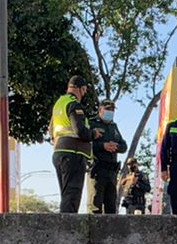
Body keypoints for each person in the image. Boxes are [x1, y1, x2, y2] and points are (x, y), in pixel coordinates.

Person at [50, 74, 93, 213]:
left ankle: (65, 226)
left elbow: (51, 130)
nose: (84, 94)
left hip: (59, 152)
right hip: (73, 153)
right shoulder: (74, 105)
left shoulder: (59, 104)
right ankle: (68, 229)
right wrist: (93, 134)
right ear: (80, 89)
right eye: (85, 90)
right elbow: (80, 131)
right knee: (72, 195)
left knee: (66, 194)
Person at [90, 99, 126, 214]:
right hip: (97, 169)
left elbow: (124, 146)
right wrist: (103, 146)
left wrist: (116, 147)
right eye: (107, 109)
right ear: (100, 110)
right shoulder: (92, 124)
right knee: (95, 205)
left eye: (112, 110)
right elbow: (87, 144)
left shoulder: (113, 127)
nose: (110, 112)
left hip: (112, 171)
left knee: (111, 207)